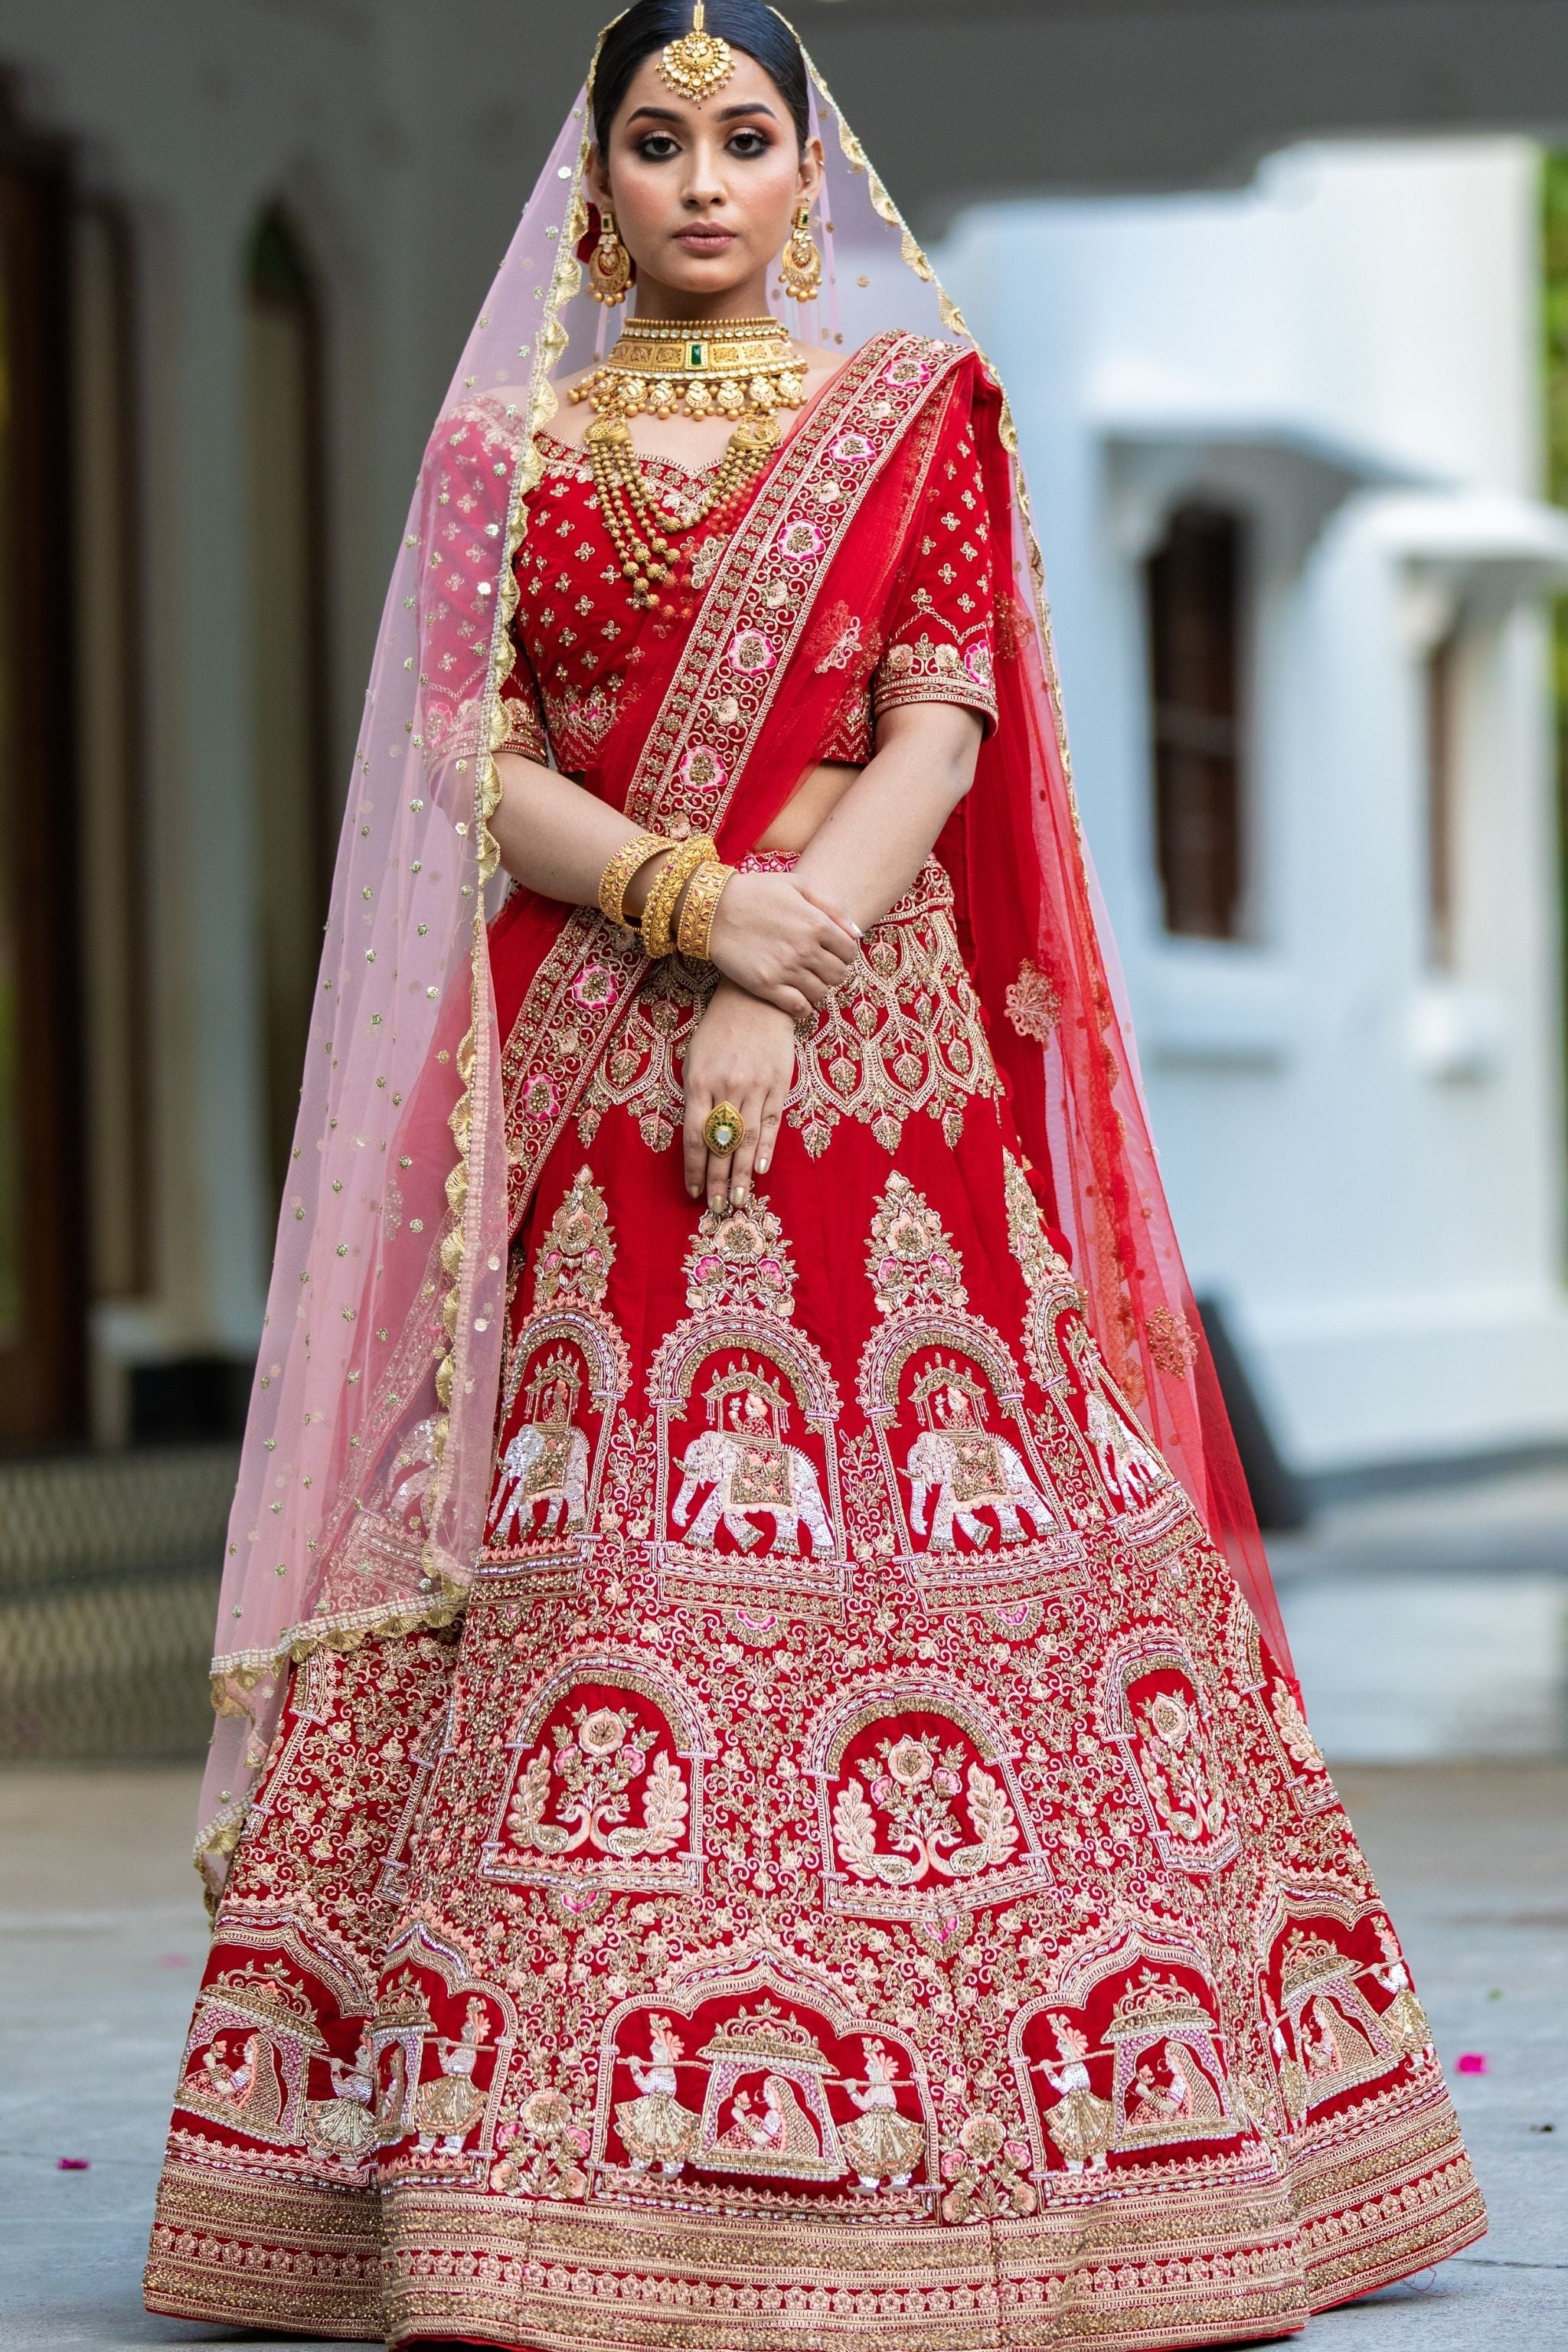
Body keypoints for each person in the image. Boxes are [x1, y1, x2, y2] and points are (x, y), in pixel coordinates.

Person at [144, 5, 1485, 2344]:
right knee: (582, 1564)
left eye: (744, 139)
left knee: (959, 1545)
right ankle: (537, 2183)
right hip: (595, 1071)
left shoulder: (912, 412)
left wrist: (785, 962)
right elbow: (476, 760)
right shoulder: (506, 449)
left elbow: (939, 724)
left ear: (805, 173)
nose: (701, 181)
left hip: (885, 1084)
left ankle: (1053, 2160)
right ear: (594, 183)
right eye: (656, 141)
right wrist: (692, 912)